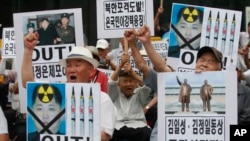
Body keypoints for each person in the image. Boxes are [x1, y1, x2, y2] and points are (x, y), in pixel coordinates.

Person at [22, 32, 117, 141]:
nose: (72, 69)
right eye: (68, 65)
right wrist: (28, 51)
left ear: (90, 70)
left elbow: (104, 136)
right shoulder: (55, 92)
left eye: (77, 65)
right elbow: (27, 82)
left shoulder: (102, 99)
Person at [108, 53, 151, 141]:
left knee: (147, 134)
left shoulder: (140, 93)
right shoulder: (114, 93)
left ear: (136, 83)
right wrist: (120, 66)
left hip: (137, 125)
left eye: (131, 81)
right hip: (117, 125)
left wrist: (133, 73)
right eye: (125, 81)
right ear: (119, 84)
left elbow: (147, 86)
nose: (128, 84)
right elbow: (111, 83)